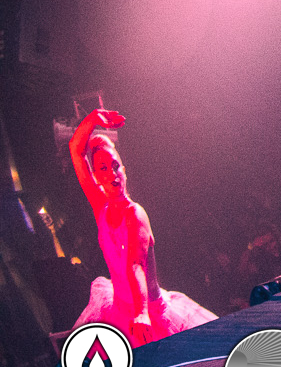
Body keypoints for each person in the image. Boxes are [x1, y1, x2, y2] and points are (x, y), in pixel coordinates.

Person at [67, 108, 217, 344]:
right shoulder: (101, 207)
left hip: (150, 312)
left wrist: (141, 313)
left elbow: (136, 265)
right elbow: (76, 149)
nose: (112, 173)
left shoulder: (135, 214)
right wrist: (93, 118)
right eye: (103, 168)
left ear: (124, 171)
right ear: (96, 176)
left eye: (115, 166)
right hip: (119, 311)